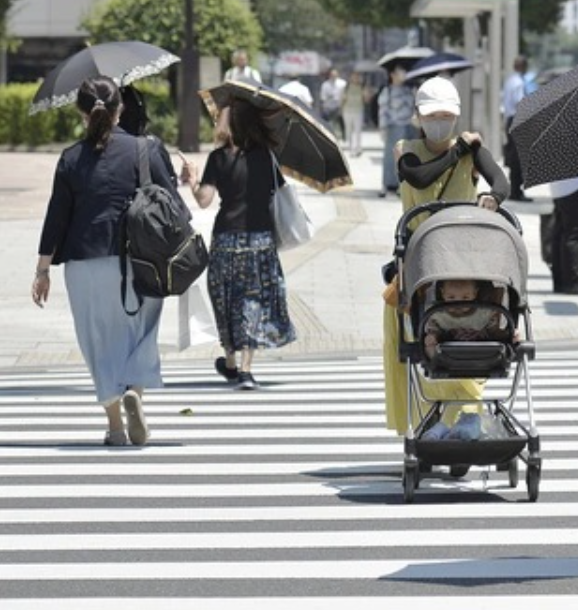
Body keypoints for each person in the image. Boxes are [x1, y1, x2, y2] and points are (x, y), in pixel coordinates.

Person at [33, 76, 184, 447]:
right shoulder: (143, 150)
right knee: (142, 332)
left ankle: (115, 427)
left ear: (81, 113)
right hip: (140, 259)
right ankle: (135, 388)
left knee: (99, 342)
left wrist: (41, 270)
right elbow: (173, 206)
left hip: (84, 264)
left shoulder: (70, 158)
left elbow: (57, 217)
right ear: (122, 109)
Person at [382, 76, 511, 458]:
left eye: (447, 116)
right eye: (432, 116)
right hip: (419, 260)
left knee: (467, 332)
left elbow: (501, 181)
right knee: (421, 339)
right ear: (418, 117)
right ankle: (436, 420)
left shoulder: (474, 150)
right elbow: (418, 176)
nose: (440, 123)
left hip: (462, 260)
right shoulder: (405, 148)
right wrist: (458, 152)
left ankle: (464, 416)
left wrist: (491, 196)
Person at [179, 99, 297, 391]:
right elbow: (276, 191)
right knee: (253, 302)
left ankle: (232, 359)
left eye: (221, 117)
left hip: (226, 240)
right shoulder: (266, 156)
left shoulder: (219, 158)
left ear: (233, 123)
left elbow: (204, 201)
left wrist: (192, 180)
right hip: (260, 240)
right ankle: (241, 368)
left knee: (226, 301)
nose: (217, 120)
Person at [421, 279, 514, 354]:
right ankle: (434, 360)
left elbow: (493, 330)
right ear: (442, 293)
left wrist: (507, 335)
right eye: (451, 298)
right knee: (430, 346)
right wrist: (432, 336)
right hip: (447, 352)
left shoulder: (483, 312)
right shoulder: (439, 314)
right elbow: (434, 328)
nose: (458, 304)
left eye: (465, 298)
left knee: (506, 341)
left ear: (475, 293)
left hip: (483, 350)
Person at [376, 66, 418, 197]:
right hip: (394, 127)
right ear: (392, 75)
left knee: (408, 157)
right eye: (400, 72)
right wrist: (382, 128)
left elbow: (414, 106)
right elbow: (382, 111)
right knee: (391, 157)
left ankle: (404, 185)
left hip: (410, 127)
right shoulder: (387, 91)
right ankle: (388, 184)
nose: (403, 75)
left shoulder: (410, 90)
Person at [501, 55, 531, 201]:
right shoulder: (519, 83)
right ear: (523, 67)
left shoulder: (509, 81)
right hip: (518, 120)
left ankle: (515, 189)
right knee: (518, 158)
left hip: (510, 120)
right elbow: (520, 103)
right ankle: (516, 191)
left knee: (514, 157)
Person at [341, 70, 368, 157]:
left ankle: (358, 148)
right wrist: (341, 110)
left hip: (358, 111)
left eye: (357, 76)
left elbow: (366, 100)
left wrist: (366, 92)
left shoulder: (362, 87)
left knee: (358, 131)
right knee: (349, 130)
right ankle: (351, 149)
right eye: (354, 76)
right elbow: (342, 100)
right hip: (347, 111)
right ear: (350, 78)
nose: (355, 78)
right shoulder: (346, 87)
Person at [319, 68, 347, 138]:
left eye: (335, 74)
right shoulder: (325, 85)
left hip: (338, 107)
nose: (333, 76)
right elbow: (323, 98)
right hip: (328, 108)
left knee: (341, 123)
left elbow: (345, 95)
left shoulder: (342, 83)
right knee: (326, 123)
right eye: (332, 75)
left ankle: (343, 135)